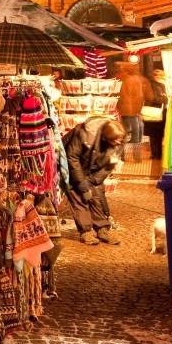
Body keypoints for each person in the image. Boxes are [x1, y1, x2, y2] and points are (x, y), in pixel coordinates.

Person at [64, 116, 126, 245]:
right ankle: (85, 231)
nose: (119, 143)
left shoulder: (119, 142)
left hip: (93, 168)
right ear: (106, 138)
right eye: (116, 141)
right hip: (73, 166)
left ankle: (102, 229)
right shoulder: (83, 134)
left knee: (96, 195)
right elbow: (72, 158)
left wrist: (93, 180)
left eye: (121, 140)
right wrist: (81, 182)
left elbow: (108, 166)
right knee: (78, 197)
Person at [116, 61, 150, 153]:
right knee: (137, 132)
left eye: (122, 69)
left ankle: (121, 155)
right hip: (135, 110)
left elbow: (121, 95)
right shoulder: (138, 80)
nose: (120, 71)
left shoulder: (124, 80)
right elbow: (142, 96)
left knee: (124, 133)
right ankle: (137, 156)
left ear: (126, 71)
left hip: (126, 110)